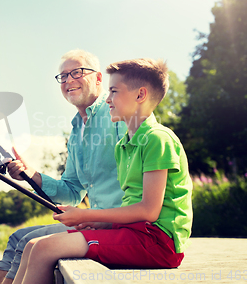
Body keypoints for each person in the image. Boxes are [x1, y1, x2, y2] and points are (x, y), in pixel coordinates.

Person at [11, 58, 193, 284]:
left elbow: (149, 211)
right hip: (133, 233)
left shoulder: (157, 139)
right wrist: (101, 223)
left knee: (44, 248)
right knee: (31, 245)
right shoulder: (123, 145)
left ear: (140, 95)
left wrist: (86, 215)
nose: (107, 99)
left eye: (114, 91)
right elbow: (130, 204)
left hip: (158, 243)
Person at [0, 50, 127, 284]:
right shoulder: (76, 131)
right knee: (16, 238)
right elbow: (72, 192)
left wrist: (99, 219)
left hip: (115, 226)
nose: (69, 80)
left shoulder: (117, 115)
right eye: (63, 76)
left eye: (77, 72)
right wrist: (31, 175)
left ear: (99, 79)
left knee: (25, 242)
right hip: (93, 223)